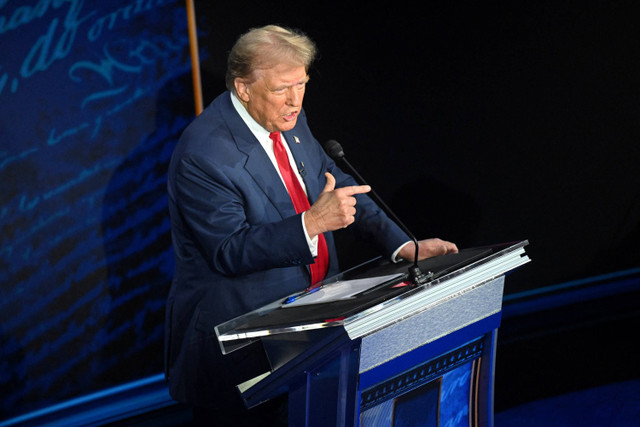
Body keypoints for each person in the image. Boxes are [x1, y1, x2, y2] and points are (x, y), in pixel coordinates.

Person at [164, 24, 458, 425]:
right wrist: (311, 223)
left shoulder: (286, 116)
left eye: (301, 85)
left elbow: (333, 180)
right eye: (282, 89)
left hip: (314, 333)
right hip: (244, 349)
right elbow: (229, 251)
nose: (295, 101)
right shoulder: (203, 154)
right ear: (243, 88)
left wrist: (403, 245)